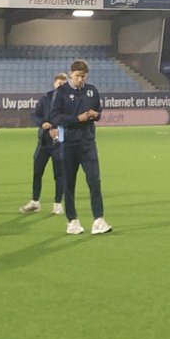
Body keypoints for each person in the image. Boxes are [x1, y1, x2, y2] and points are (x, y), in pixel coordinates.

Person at [49, 60, 112, 235]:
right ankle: (72, 221)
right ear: (71, 74)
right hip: (68, 144)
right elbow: (55, 117)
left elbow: (99, 110)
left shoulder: (92, 90)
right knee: (69, 184)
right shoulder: (61, 92)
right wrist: (78, 119)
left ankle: (98, 220)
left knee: (94, 181)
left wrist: (96, 115)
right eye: (77, 76)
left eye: (83, 77)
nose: (80, 80)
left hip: (88, 143)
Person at [20, 72, 67, 215]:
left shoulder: (69, 102)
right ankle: (35, 201)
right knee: (37, 172)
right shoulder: (45, 99)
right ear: (54, 84)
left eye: (64, 84)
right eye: (59, 83)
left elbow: (72, 119)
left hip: (59, 143)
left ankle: (58, 203)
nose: (61, 86)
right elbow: (35, 115)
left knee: (59, 175)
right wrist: (42, 123)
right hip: (43, 143)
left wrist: (59, 130)